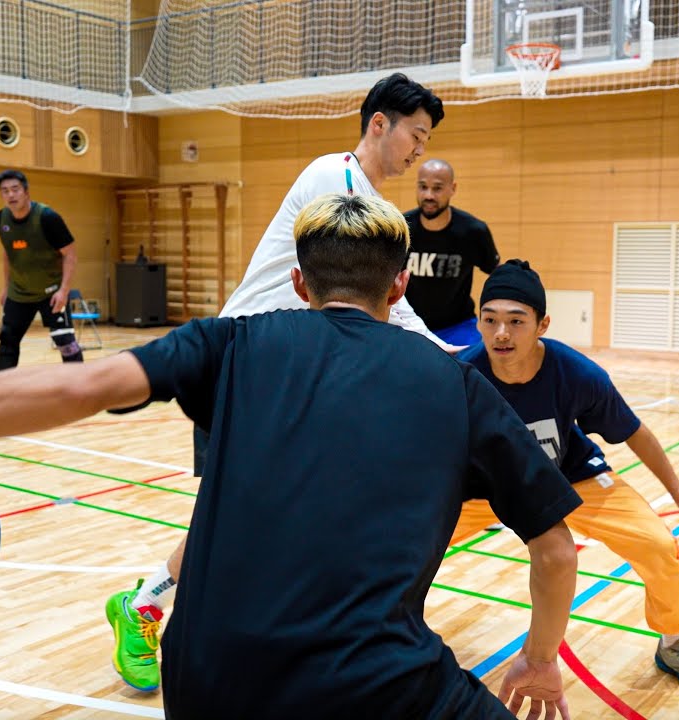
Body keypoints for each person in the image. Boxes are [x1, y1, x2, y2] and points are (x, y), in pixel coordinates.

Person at [0, 193, 582, 720]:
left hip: (209, 679)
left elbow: (77, 388)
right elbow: (553, 547)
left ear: (300, 283)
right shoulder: (458, 387)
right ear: (400, 285)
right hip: (376, 684)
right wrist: (541, 661)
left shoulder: (229, 343)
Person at [101, 74, 457, 691]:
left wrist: (443, 353)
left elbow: (387, 304)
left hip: (300, 374)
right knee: (234, 512)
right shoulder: (335, 181)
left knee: (271, 510)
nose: (418, 151)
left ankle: (170, 605)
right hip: (248, 367)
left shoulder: (367, 200)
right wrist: (447, 357)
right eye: (416, 136)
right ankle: (147, 606)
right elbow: (388, 307)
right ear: (380, 124)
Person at [453, 259, 679, 699]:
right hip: (484, 486)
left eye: (515, 321)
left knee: (660, 547)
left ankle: (674, 643)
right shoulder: (462, 376)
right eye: (490, 321)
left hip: (570, 477)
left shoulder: (576, 373)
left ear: (541, 324)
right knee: (404, 543)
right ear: (478, 322)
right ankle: (383, 633)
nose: (501, 333)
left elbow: (634, 432)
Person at [0, 170, 83, 372]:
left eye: (15, 189)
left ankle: (79, 384)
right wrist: (6, 288)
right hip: (19, 293)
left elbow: (70, 254)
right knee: (7, 341)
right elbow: (8, 253)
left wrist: (64, 291)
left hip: (51, 292)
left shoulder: (48, 217)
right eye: (5, 191)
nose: (11, 195)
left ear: (26, 191)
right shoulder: (1, 219)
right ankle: (2, 390)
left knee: (65, 341)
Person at [403, 159, 499, 346]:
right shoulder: (401, 227)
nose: (428, 195)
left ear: (452, 188)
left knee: (473, 369)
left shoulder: (473, 231)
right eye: (423, 187)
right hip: (410, 325)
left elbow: (496, 273)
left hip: (459, 325)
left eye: (437, 188)